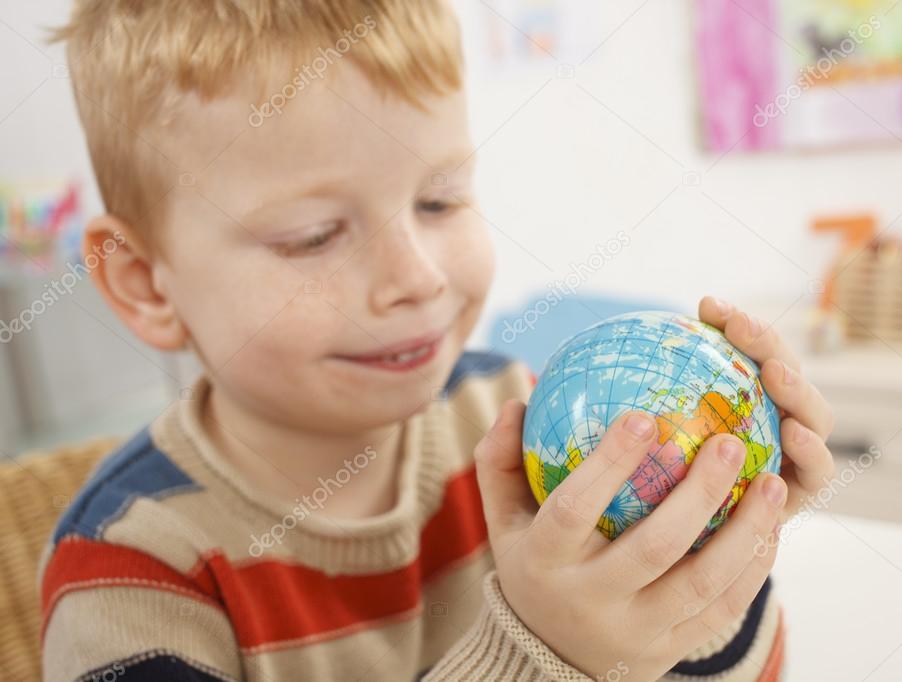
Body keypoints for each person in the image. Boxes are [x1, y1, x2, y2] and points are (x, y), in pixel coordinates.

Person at [41, 1, 836, 679]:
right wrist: (543, 653)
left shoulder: (510, 413)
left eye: (440, 200)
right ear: (146, 282)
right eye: (314, 237)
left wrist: (708, 557)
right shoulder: (127, 573)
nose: (417, 278)